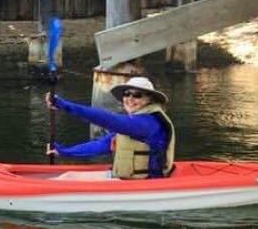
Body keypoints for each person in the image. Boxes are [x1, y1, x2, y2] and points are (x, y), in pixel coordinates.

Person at [45, 77, 175, 179]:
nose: (130, 99)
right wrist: (64, 151)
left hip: (146, 182)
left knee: (69, 177)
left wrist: (65, 105)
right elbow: (103, 145)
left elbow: (107, 119)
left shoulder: (148, 123)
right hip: (126, 178)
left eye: (137, 95)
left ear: (149, 100)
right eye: (127, 94)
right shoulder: (135, 121)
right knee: (69, 175)